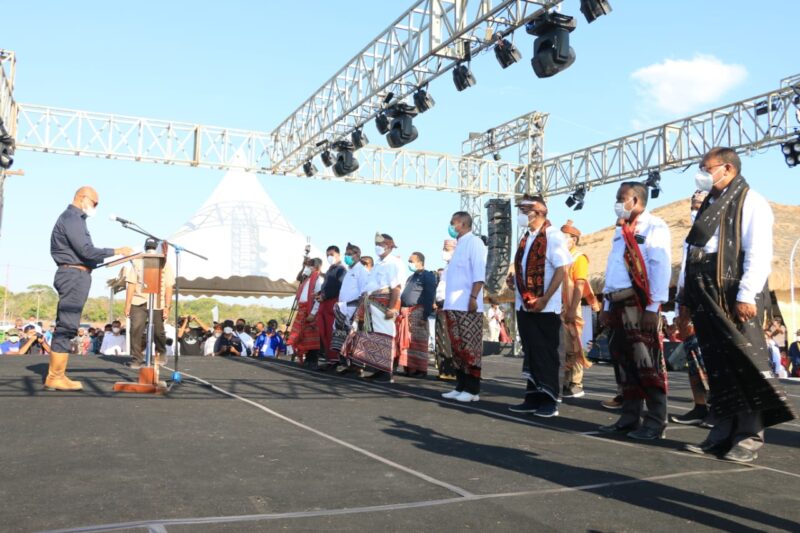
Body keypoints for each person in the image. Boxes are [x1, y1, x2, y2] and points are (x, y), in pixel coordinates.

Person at [682, 147, 796, 462]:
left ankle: (748, 438)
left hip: (733, 296)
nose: (701, 172)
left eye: (707, 167)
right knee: (718, 368)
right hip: (706, 295)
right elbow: (692, 249)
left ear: (728, 169)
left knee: (745, 366)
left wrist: (746, 294)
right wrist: (685, 296)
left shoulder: (752, 201)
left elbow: (758, 251)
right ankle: (720, 434)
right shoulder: (709, 204)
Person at [598, 181, 672, 441]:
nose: (617, 203)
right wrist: (606, 305)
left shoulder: (655, 227)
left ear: (636, 201)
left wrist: (654, 307)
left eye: (622, 198)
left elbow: (659, 267)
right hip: (617, 303)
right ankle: (629, 418)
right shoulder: (620, 230)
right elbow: (613, 270)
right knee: (624, 364)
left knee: (647, 363)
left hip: (639, 305)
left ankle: (655, 421)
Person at [47, 186, 133, 390]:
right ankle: (54, 376)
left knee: (69, 325)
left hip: (77, 273)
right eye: (95, 202)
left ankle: (58, 374)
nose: (96, 207)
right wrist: (116, 250)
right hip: (72, 275)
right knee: (67, 325)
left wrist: (108, 260)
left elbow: (85, 255)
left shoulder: (76, 219)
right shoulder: (72, 218)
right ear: (83, 198)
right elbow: (85, 250)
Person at [506, 195, 572, 417]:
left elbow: (562, 269)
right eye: (521, 209)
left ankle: (550, 400)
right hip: (525, 304)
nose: (522, 214)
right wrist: (514, 282)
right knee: (532, 353)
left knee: (547, 354)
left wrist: (545, 297)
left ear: (541, 211)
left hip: (545, 307)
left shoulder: (553, 236)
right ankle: (532, 397)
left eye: (526, 209)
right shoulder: (526, 238)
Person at [672, 189, 712, 427]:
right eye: (692, 204)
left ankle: (717, 407)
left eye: (699, 204)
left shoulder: (714, 232)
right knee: (692, 357)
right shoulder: (689, 238)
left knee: (709, 359)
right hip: (686, 304)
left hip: (704, 303)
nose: (694, 208)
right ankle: (699, 406)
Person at [343, 233, 404, 380]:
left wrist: (392, 308)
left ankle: (386, 372)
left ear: (389, 246)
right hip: (371, 302)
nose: (378, 248)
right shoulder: (378, 263)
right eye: (376, 245)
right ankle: (378, 369)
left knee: (385, 335)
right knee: (373, 337)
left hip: (383, 302)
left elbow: (396, 287)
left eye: (381, 245)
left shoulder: (394, 263)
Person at [441, 212, 487, 403]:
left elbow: (479, 272)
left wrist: (474, 296)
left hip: (468, 304)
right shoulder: (458, 246)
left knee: (470, 348)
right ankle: (460, 386)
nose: (451, 226)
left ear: (462, 223)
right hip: (453, 304)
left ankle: (472, 389)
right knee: (457, 348)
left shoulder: (474, 242)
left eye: (453, 223)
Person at [560, 219, 600, 399]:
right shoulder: (561, 258)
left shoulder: (579, 258)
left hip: (571, 309)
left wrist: (571, 309)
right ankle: (564, 382)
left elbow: (579, 285)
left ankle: (576, 383)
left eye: (564, 237)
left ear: (573, 240)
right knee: (562, 348)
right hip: (558, 309)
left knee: (574, 346)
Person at [123, 237, 175, 369]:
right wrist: (127, 304)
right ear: (145, 247)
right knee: (136, 330)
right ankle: (137, 358)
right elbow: (131, 284)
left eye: (153, 247)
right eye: (149, 247)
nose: (151, 250)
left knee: (159, 331)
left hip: (157, 302)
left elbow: (169, 286)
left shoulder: (165, 264)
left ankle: (161, 352)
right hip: (138, 301)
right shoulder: (138, 262)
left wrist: (167, 307)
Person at [398, 252, 436, 377]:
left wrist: (425, 316)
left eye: (411, 261)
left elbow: (430, 296)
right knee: (408, 342)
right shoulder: (411, 277)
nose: (409, 263)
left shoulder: (428, 276)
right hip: (407, 313)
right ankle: (409, 368)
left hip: (418, 313)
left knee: (418, 342)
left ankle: (420, 369)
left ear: (420, 262)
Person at [333, 244, 370, 374]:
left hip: (354, 309)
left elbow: (364, 293)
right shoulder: (349, 271)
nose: (347, 256)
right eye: (346, 254)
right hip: (343, 309)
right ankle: (347, 365)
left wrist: (357, 311)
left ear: (357, 255)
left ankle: (357, 367)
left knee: (355, 338)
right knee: (342, 337)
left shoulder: (362, 271)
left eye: (350, 254)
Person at [287, 258, 324, 368]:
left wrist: (313, 313)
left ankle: (312, 360)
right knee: (302, 336)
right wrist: (303, 267)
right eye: (307, 265)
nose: (308, 267)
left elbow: (318, 297)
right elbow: (298, 278)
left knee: (312, 336)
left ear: (316, 267)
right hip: (302, 310)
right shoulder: (306, 279)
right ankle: (306, 358)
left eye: (309, 266)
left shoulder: (319, 279)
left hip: (311, 311)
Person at [317, 245, 347, 368]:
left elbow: (341, 287)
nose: (329, 257)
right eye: (327, 255)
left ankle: (335, 358)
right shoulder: (330, 270)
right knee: (323, 331)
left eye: (332, 254)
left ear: (338, 255)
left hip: (333, 302)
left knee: (331, 331)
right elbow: (326, 286)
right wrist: (319, 294)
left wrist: (326, 295)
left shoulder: (341, 269)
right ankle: (329, 359)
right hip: (324, 302)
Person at [434, 239, 458, 380]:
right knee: (441, 338)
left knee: (449, 339)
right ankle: (444, 370)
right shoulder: (447, 267)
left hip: (451, 305)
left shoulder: (457, 265)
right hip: (442, 306)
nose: (445, 251)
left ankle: (451, 371)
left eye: (447, 248)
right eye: (444, 248)